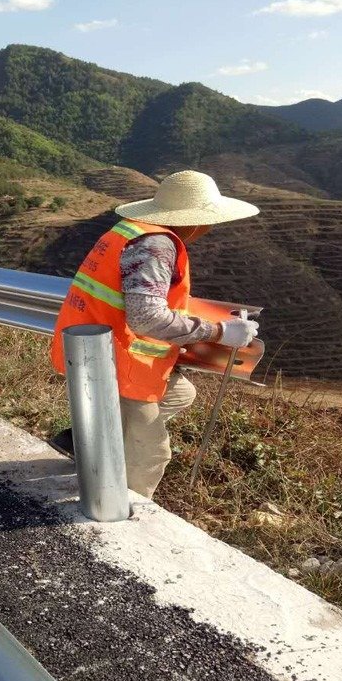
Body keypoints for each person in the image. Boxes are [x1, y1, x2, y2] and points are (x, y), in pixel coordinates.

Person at [50, 170, 260, 499]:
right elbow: (147, 317)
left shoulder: (131, 231)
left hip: (98, 346)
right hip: (119, 359)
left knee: (180, 394)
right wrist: (220, 332)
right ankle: (114, 518)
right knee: (150, 455)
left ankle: (90, 437)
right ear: (194, 220)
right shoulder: (157, 247)